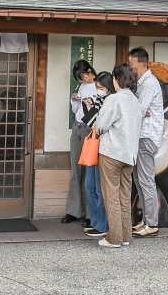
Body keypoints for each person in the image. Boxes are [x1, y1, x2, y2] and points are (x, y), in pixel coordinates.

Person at [94, 64, 142, 248]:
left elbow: (101, 125)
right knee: (124, 195)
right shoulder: (135, 101)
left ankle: (114, 237)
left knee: (111, 195)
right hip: (129, 155)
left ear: (117, 79)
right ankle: (126, 235)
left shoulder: (114, 100)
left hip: (112, 153)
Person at [128, 46, 163, 237]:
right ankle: (146, 221)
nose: (129, 67)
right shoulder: (142, 83)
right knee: (139, 180)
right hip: (141, 136)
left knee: (146, 180)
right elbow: (140, 110)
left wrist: (139, 110)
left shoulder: (149, 82)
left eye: (131, 63)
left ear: (140, 63)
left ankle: (152, 223)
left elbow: (139, 110)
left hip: (147, 137)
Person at [80, 72, 116, 238]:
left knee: (100, 189)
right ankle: (96, 222)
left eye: (100, 88)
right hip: (95, 147)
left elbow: (101, 125)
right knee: (90, 186)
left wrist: (93, 114)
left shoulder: (113, 102)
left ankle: (104, 225)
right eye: (97, 88)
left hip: (106, 149)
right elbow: (90, 121)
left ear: (109, 88)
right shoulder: (100, 100)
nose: (98, 91)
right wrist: (87, 107)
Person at [63, 60, 98, 224]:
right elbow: (76, 111)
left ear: (90, 71)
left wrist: (88, 102)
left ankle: (92, 215)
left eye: (83, 75)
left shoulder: (100, 85)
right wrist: (75, 101)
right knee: (75, 172)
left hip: (90, 130)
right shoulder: (82, 87)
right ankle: (73, 210)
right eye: (80, 78)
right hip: (77, 129)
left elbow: (99, 111)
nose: (82, 79)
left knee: (90, 173)